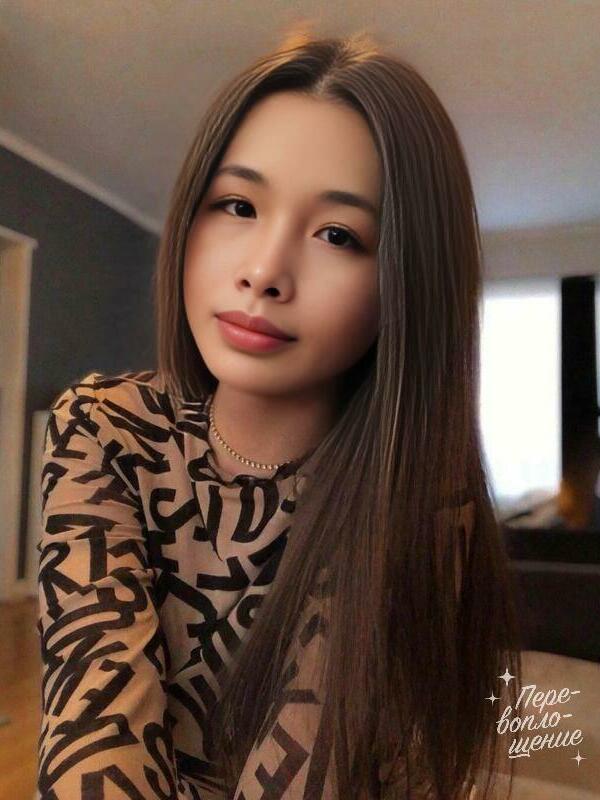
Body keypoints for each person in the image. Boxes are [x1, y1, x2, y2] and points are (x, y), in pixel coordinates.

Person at [37, 28, 522, 800]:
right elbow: (93, 723)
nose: (263, 272)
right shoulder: (105, 428)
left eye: (338, 235)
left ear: (407, 284)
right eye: (237, 205)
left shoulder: (419, 503)